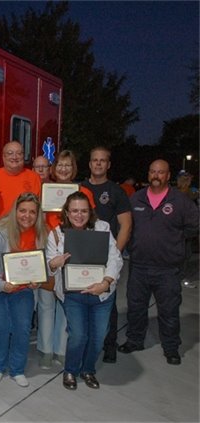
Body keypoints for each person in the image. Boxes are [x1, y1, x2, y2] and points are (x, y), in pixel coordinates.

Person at [118, 160, 199, 365]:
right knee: (136, 307)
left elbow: (193, 227)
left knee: (169, 311)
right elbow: (127, 226)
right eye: (153, 171)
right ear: (148, 173)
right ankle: (135, 340)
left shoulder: (180, 201)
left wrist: (173, 242)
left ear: (168, 175)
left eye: (160, 172)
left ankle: (171, 347)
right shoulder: (136, 198)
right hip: (139, 266)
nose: (156, 175)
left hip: (167, 269)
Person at [47, 191, 123, 390]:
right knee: (79, 335)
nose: (79, 215)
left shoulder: (102, 228)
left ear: (90, 212)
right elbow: (49, 265)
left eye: (83, 211)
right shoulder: (56, 234)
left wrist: (105, 283)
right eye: (74, 211)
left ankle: (88, 370)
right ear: (66, 212)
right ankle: (70, 370)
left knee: (98, 337)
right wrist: (54, 264)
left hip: (101, 294)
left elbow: (115, 259)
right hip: (73, 295)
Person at [36, 150, 97, 369]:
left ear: (74, 168)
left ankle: (61, 350)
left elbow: (91, 223)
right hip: (46, 247)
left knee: (67, 302)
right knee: (45, 303)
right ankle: (45, 349)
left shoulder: (84, 193)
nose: (63, 169)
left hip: (73, 251)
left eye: (68, 165)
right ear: (54, 168)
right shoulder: (43, 190)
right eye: (60, 165)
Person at [0, 192, 48, 387]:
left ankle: (17, 369)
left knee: (22, 327)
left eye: (32, 212)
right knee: (0, 326)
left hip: (24, 290)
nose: (27, 216)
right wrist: (3, 285)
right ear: (15, 211)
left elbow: (41, 268)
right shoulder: (1, 232)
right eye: (23, 211)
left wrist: (37, 281)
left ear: (38, 215)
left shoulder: (41, 235)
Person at [81, 146, 132, 363]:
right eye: (95, 160)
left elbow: (126, 226)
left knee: (107, 303)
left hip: (106, 258)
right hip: (82, 256)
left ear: (108, 165)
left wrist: (114, 256)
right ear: (90, 163)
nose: (98, 164)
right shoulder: (80, 187)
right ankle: (83, 345)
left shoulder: (116, 191)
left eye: (103, 160)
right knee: (81, 300)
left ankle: (109, 344)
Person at [0, 141, 42, 220]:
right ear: (3, 157)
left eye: (19, 153)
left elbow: (40, 208)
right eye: (10, 153)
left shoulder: (34, 177)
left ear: (23, 156)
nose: (14, 157)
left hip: (27, 227)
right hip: (0, 228)